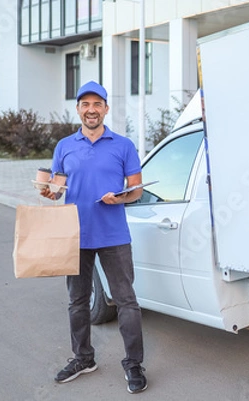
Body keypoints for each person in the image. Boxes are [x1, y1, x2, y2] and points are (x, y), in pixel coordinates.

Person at [41, 80, 147, 394]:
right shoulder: (64, 146)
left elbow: (137, 191)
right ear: (78, 109)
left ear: (105, 108)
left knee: (126, 302)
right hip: (74, 234)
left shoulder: (123, 145)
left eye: (96, 104)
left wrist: (122, 198)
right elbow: (56, 187)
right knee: (77, 301)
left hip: (114, 235)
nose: (91, 110)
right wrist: (50, 192)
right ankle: (83, 358)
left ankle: (134, 364)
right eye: (85, 105)